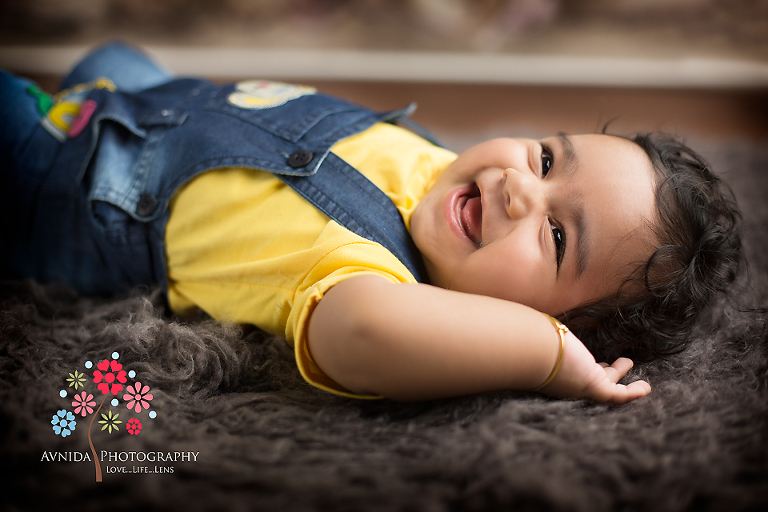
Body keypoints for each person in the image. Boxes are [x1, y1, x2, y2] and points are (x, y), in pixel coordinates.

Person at [0, 42, 742, 404]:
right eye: (548, 159)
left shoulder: (368, 282)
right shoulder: (447, 175)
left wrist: (551, 356)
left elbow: (368, 338)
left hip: (70, 188)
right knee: (112, 57)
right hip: (157, 96)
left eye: (556, 238)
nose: (519, 188)